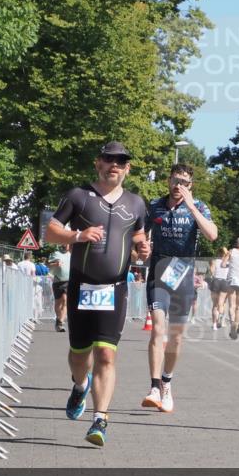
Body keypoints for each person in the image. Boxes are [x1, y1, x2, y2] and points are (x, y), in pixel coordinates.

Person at [45, 141, 150, 446]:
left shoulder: (136, 203)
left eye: (121, 160)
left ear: (128, 168)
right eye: (109, 159)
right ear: (98, 163)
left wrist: (142, 250)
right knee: (80, 355)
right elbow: (50, 232)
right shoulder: (79, 196)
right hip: (81, 286)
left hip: (114, 289)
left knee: (106, 353)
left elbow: (140, 242)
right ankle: (80, 385)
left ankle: (100, 418)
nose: (114, 164)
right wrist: (78, 235)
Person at [143, 163, 217, 412]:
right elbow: (139, 235)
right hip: (158, 274)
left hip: (183, 276)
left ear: (190, 186)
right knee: (157, 328)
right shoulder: (154, 205)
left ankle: (166, 382)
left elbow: (212, 235)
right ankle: (154, 387)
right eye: (175, 181)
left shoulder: (199, 207)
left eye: (184, 183)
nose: (178, 186)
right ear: (168, 181)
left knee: (175, 336)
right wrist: (140, 247)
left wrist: (193, 206)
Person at [48, 244, 71, 332]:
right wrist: (55, 264)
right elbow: (48, 265)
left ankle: (61, 322)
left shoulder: (72, 254)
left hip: (69, 281)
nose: (66, 245)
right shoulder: (56, 253)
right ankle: (58, 318)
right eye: (64, 243)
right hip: (58, 280)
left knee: (65, 300)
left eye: (67, 244)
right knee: (58, 302)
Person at [209, 247, 230, 329]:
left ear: (218, 253)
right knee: (221, 303)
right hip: (224, 282)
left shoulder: (214, 261)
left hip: (216, 281)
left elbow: (212, 272)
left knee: (214, 304)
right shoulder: (228, 263)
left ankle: (214, 324)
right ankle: (220, 317)